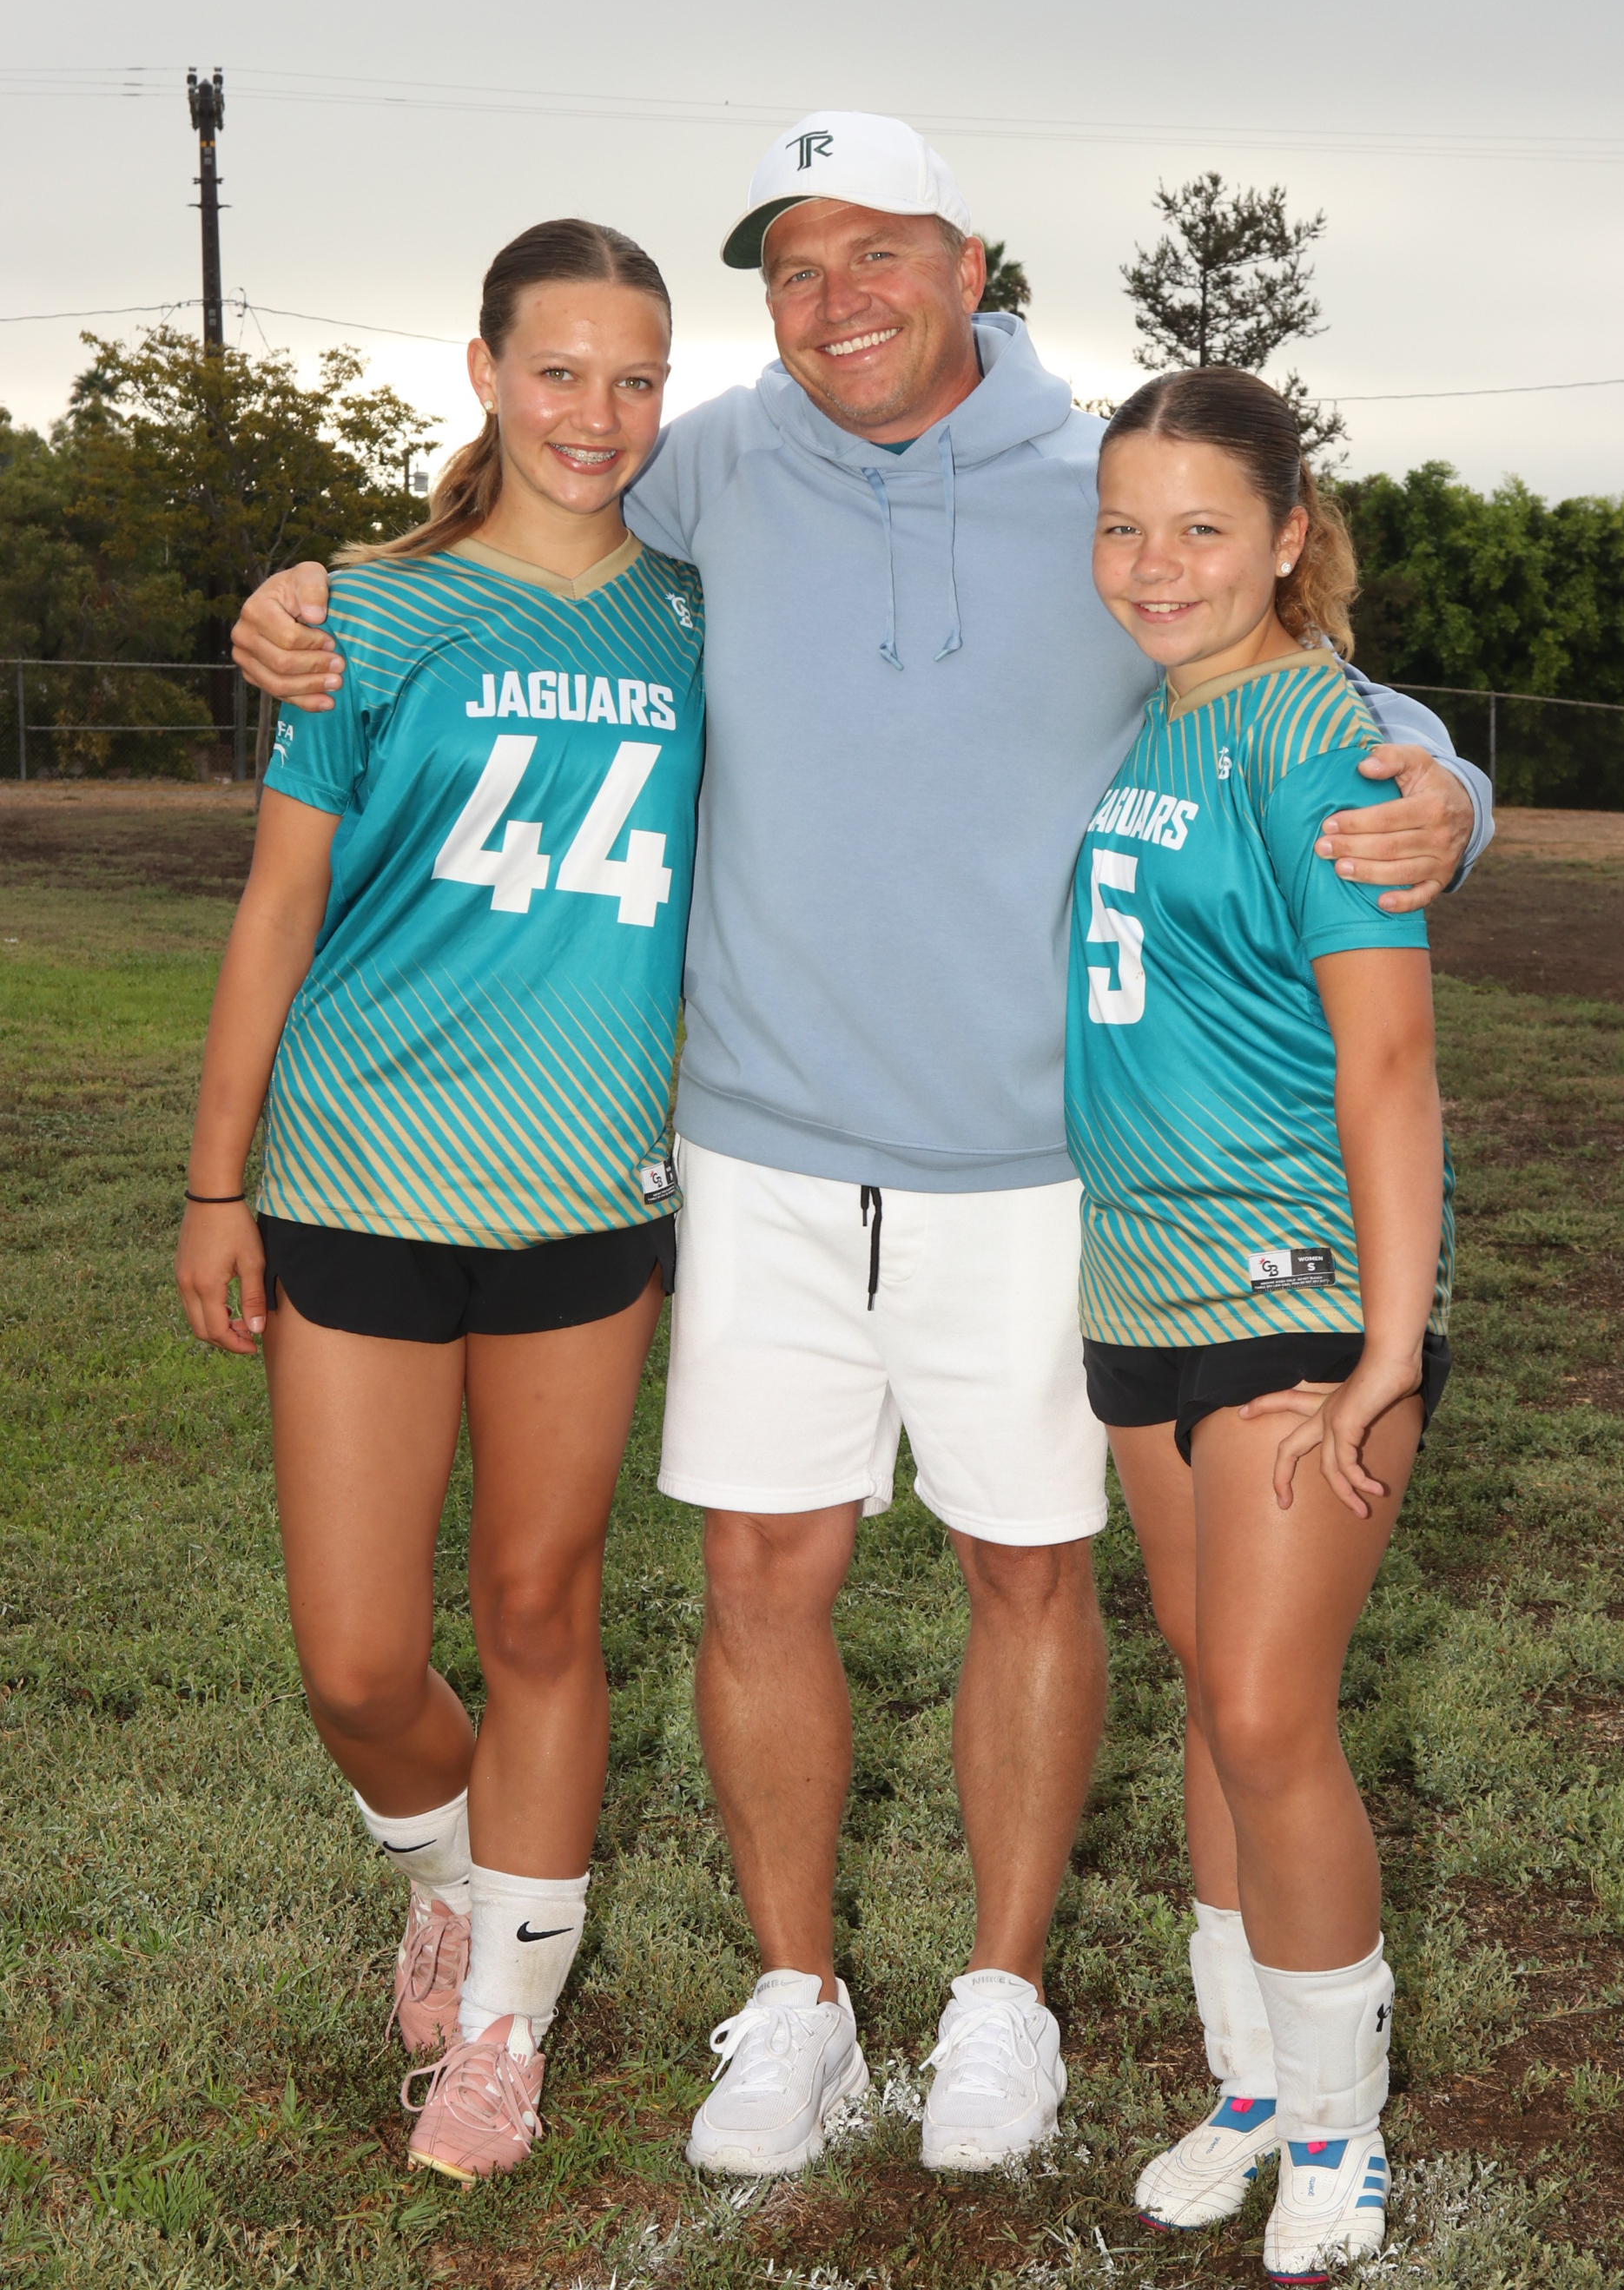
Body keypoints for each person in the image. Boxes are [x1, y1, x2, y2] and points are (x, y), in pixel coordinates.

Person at [229, 114, 1489, 2181]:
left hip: (1034, 1156)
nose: (838, 300)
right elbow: (515, 515)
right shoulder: (717, 455)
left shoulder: (1097, 477)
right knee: (757, 1573)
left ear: (970, 262)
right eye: (796, 265)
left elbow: (1283, 671)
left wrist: (1443, 778)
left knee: (1027, 1572)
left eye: (879, 250)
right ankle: (797, 1992)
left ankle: (1001, 1993)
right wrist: (303, 595)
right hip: (760, 1140)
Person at [175, 219, 703, 2184]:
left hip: (584, 1181)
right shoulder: (366, 616)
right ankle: (457, 1879)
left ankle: (502, 2027)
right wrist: (215, 1180)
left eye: (635, 377)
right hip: (360, 1166)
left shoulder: (701, 615)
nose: (597, 413)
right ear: (485, 371)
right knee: (357, 1660)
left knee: (542, 1608)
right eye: (560, 370)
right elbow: (278, 906)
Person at [1066, 366, 1452, 2278]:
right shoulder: (1160, 714)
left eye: (1202, 527)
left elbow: (1389, 1064)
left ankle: (1340, 2125)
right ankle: (1248, 2083)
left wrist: (1386, 1346)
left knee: (1266, 1712)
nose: (1156, 564)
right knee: (1213, 1698)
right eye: (1123, 526)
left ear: (1290, 535)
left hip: (1294, 1288)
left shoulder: (1319, 745)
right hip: (1140, 1286)